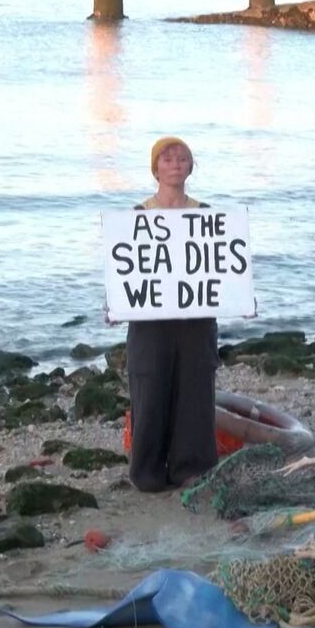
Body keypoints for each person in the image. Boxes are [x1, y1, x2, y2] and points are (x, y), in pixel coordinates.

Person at [123, 137, 220, 492]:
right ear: (155, 169)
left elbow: (222, 265)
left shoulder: (206, 214)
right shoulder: (137, 215)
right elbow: (124, 268)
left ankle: (191, 468)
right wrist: (115, 304)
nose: (175, 164)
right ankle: (148, 471)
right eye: (167, 159)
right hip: (150, 320)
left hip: (197, 318)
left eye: (182, 158)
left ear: (190, 167)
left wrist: (240, 299)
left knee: (195, 390)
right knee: (149, 389)